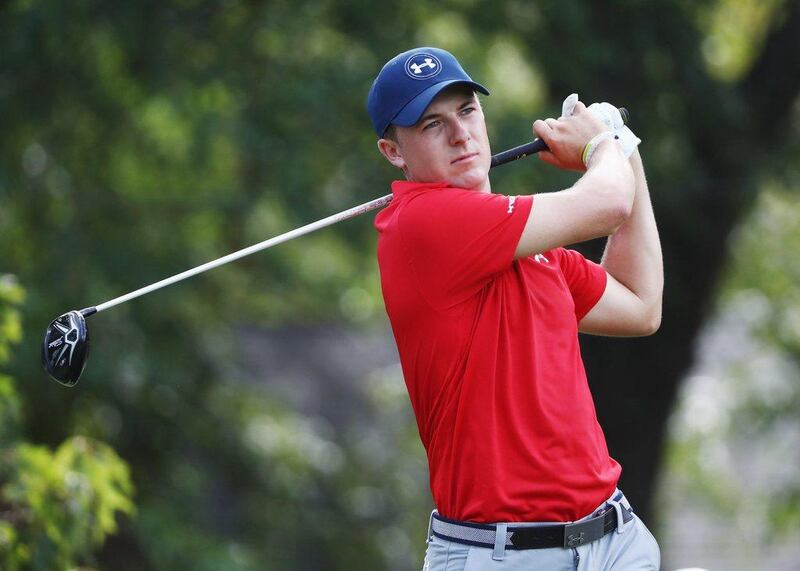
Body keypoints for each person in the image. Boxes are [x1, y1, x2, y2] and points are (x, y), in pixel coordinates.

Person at [368, 47, 663, 571]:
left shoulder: (534, 247)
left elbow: (640, 305)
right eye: (432, 124)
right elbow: (606, 203)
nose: (461, 134)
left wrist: (624, 149)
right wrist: (600, 145)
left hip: (616, 539)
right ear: (394, 152)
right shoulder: (420, 225)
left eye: (467, 111)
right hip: (501, 555)